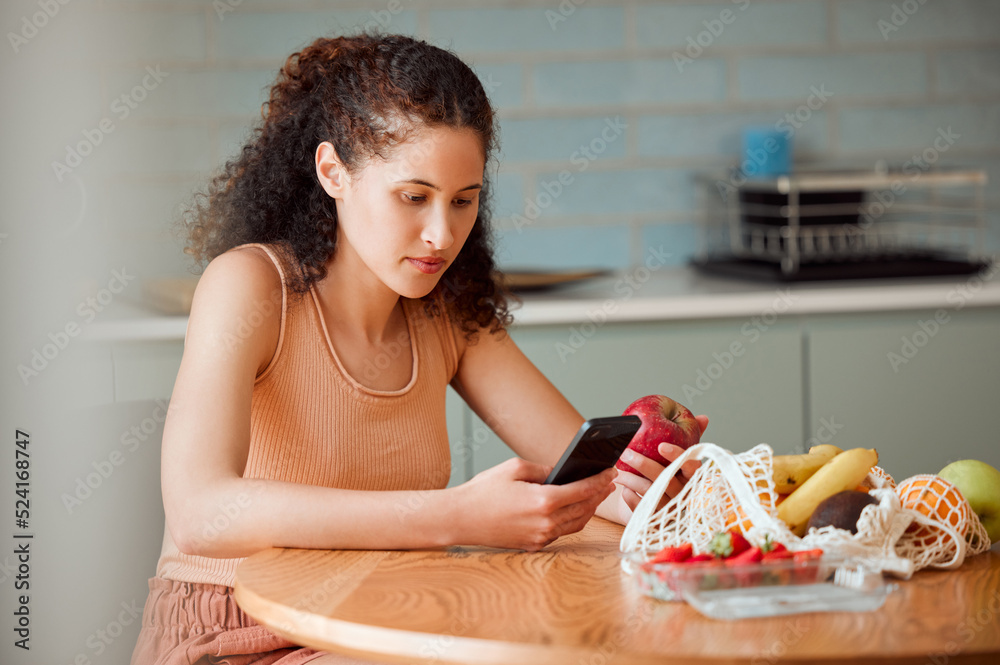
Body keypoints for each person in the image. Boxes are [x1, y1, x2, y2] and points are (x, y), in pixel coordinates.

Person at [130, 33, 707, 665]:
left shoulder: (447, 315)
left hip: (386, 619)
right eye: (414, 197)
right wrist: (456, 517)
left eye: (464, 201)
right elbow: (200, 511)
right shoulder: (250, 286)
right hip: (239, 628)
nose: (442, 234)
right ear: (333, 172)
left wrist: (651, 493)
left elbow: (580, 473)